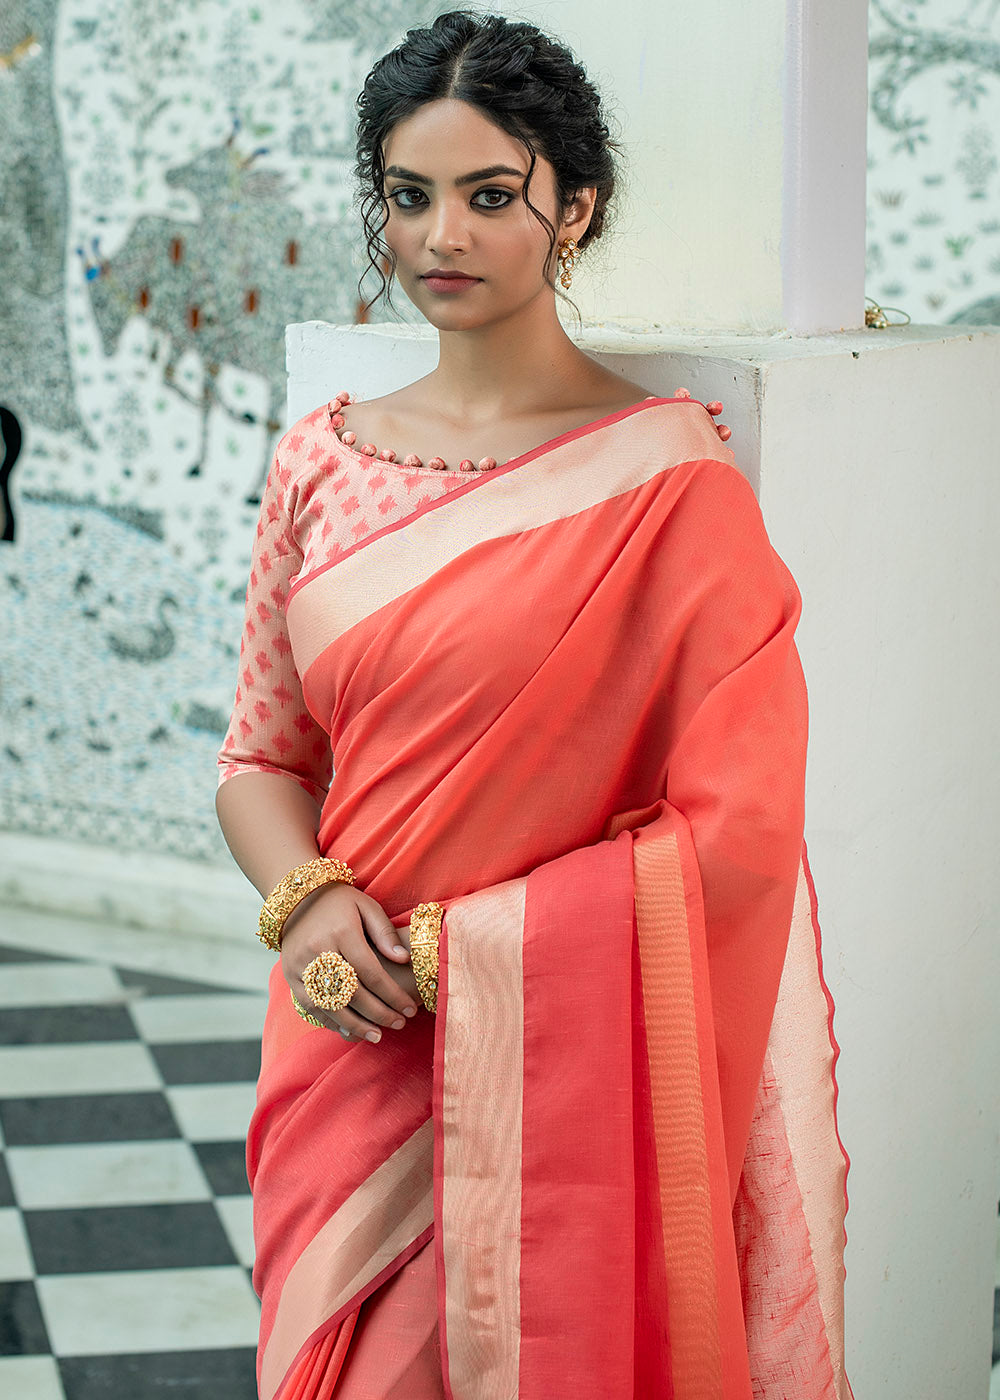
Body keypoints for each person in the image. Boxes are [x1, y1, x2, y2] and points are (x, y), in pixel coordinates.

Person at [215, 10, 854, 1398]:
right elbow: (261, 756)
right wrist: (312, 906)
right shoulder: (317, 465)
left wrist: (477, 957)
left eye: (490, 195)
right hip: (344, 1042)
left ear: (576, 209)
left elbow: (740, 833)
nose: (442, 233)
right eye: (409, 195)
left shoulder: (672, 492)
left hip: (547, 1070)